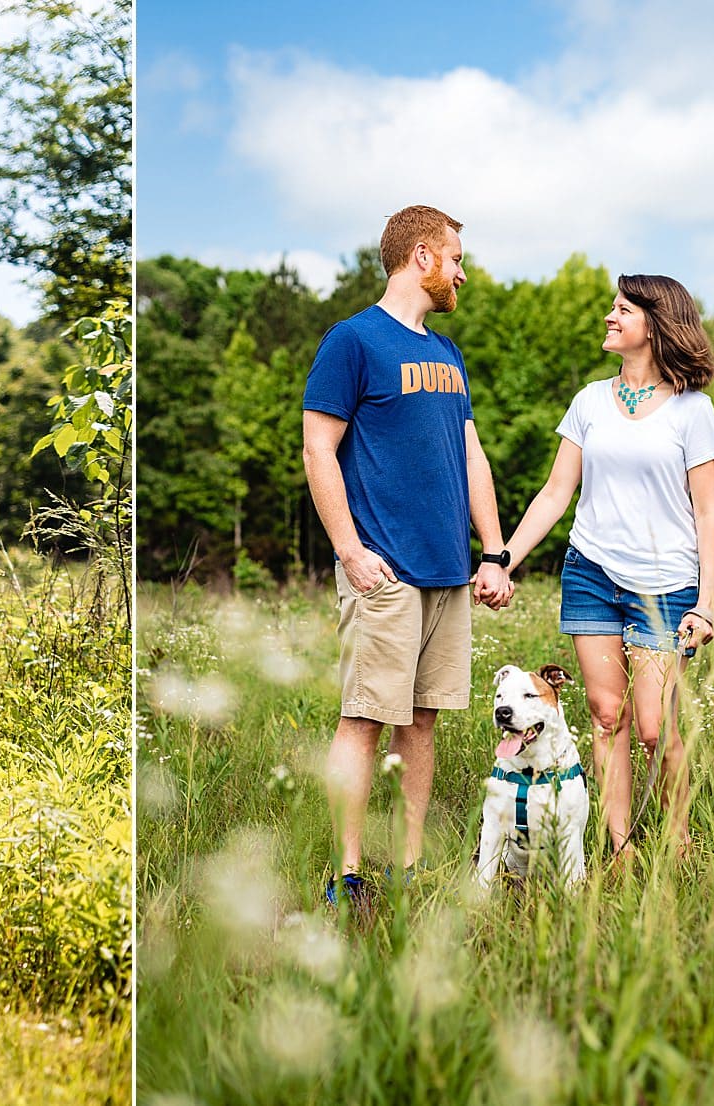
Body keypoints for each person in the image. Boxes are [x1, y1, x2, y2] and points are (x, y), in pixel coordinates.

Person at [302, 204, 513, 913]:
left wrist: (495, 552)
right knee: (363, 719)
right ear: (422, 256)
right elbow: (317, 449)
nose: (461, 272)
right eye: (456, 258)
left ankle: (412, 866)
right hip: (384, 570)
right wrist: (349, 550)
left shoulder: (448, 354)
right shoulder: (352, 341)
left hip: (449, 572)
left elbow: (471, 456)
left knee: (422, 720)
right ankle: (348, 875)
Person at [500, 274, 714, 861]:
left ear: (655, 323)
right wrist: (502, 559)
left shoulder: (693, 411)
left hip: (668, 587)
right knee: (606, 715)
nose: (609, 316)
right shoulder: (590, 401)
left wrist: (708, 603)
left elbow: (709, 513)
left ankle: (678, 840)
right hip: (591, 574)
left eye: (622, 309)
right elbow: (554, 494)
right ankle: (619, 845)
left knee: (654, 726)